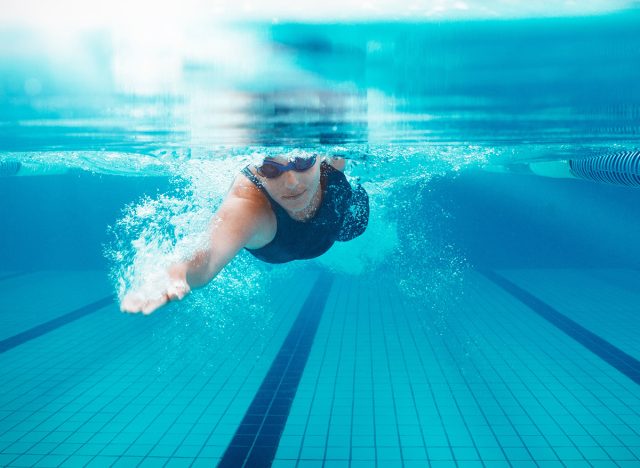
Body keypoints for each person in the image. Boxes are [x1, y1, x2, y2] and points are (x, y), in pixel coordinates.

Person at [120, 154, 369, 314]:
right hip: (287, 240)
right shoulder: (248, 206)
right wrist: (179, 272)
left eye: (303, 161)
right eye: (270, 169)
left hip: (339, 222)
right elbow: (206, 259)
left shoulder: (330, 162)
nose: (292, 182)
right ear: (255, 167)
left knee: (355, 224)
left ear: (318, 155)